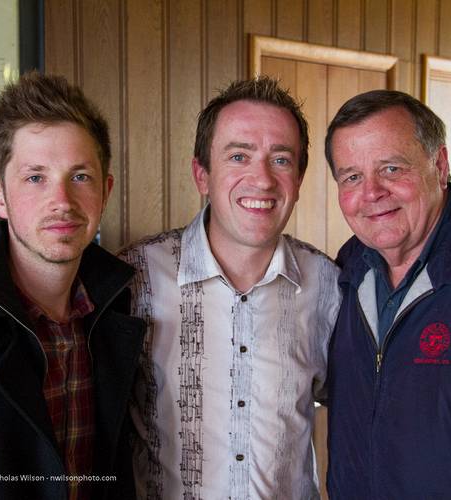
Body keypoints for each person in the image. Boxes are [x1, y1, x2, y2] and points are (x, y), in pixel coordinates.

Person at [120, 76, 341, 499]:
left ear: (298, 178)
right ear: (201, 174)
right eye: (239, 156)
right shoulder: (134, 276)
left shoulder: (329, 285)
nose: (261, 179)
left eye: (280, 159)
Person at [0, 71, 145, 500]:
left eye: (80, 176)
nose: (63, 201)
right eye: (35, 177)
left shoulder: (121, 303)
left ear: (105, 191)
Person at [325, 90, 451, 498]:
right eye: (352, 176)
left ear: (440, 165)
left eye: (391, 168)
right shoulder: (346, 270)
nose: (372, 193)